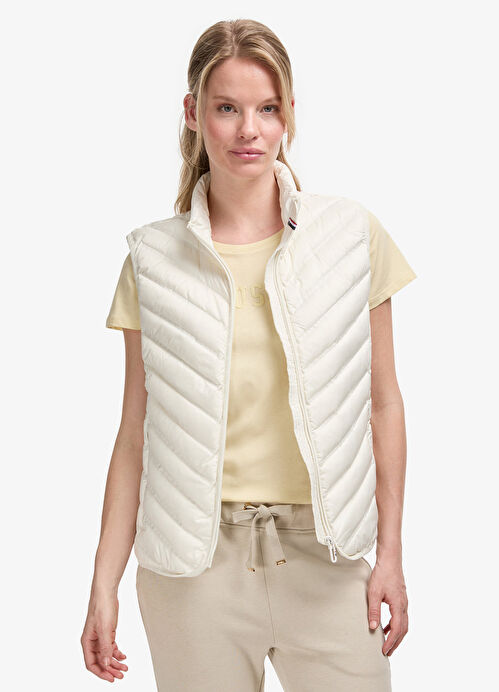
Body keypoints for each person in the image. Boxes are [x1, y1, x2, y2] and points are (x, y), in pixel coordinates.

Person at [81, 18, 416, 691]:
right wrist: (102, 584)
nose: (249, 131)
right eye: (227, 108)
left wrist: (390, 555)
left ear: (288, 115)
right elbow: (134, 436)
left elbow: (383, 403)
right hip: (193, 572)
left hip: (327, 560)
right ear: (193, 113)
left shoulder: (351, 236)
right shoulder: (151, 259)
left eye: (267, 109)